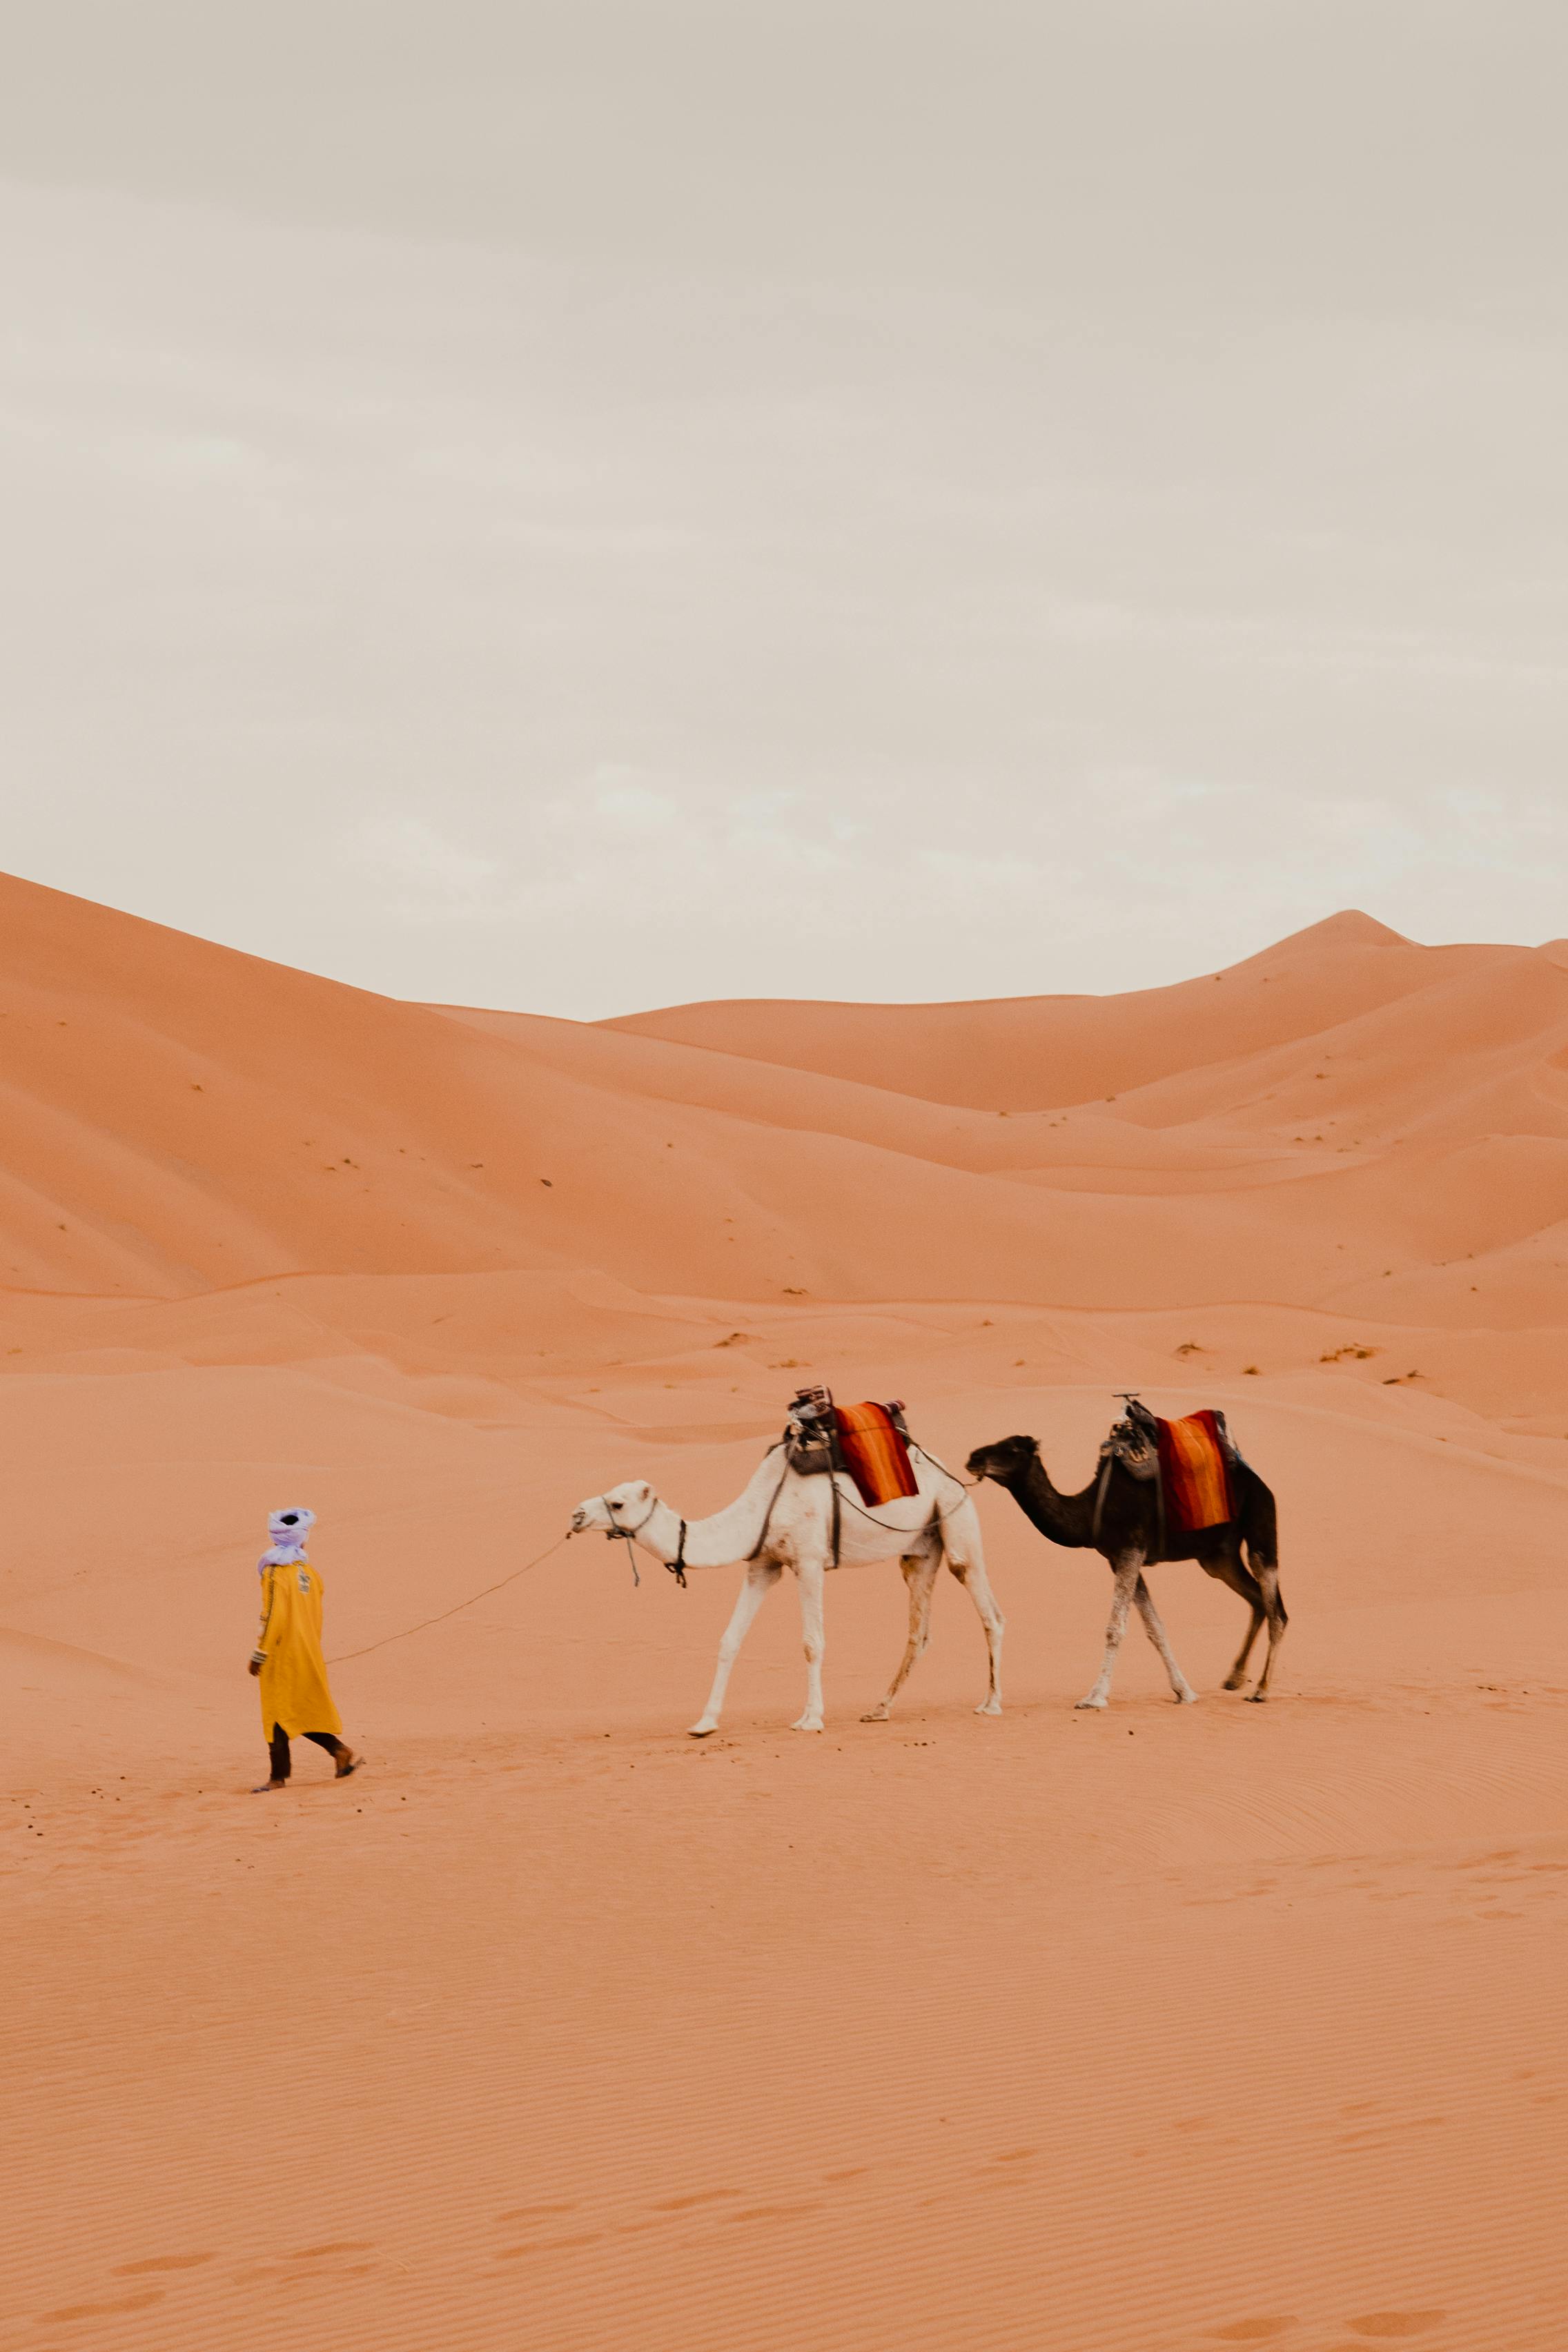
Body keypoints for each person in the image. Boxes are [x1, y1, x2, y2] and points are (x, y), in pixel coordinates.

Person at [248, 1508, 360, 1792]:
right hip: (308, 1649)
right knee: (297, 1709)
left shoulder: (274, 1573)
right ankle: (339, 1752)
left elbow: (273, 1614)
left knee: (276, 1712)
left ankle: (277, 1778)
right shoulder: (310, 1573)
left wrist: (260, 1652)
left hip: (282, 1652)